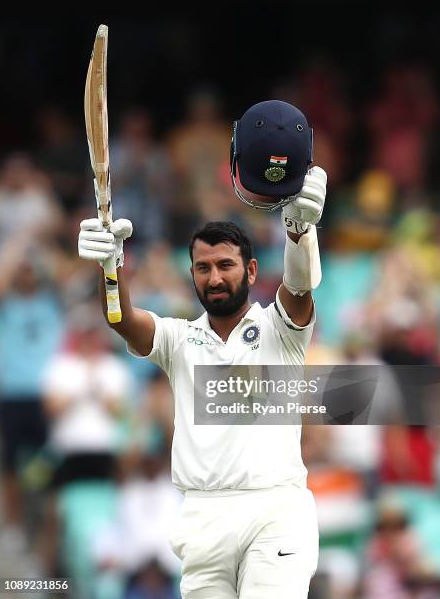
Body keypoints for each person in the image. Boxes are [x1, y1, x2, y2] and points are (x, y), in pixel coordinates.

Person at [78, 100, 327, 599]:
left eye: (226, 266)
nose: (214, 277)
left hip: (274, 512)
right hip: (201, 518)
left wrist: (300, 232)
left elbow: (299, 290)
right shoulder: (179, 339)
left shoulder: (280, 329)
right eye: (203, 267)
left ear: (251, 272)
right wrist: (110, 270)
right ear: (191, 274)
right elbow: (122, 320)